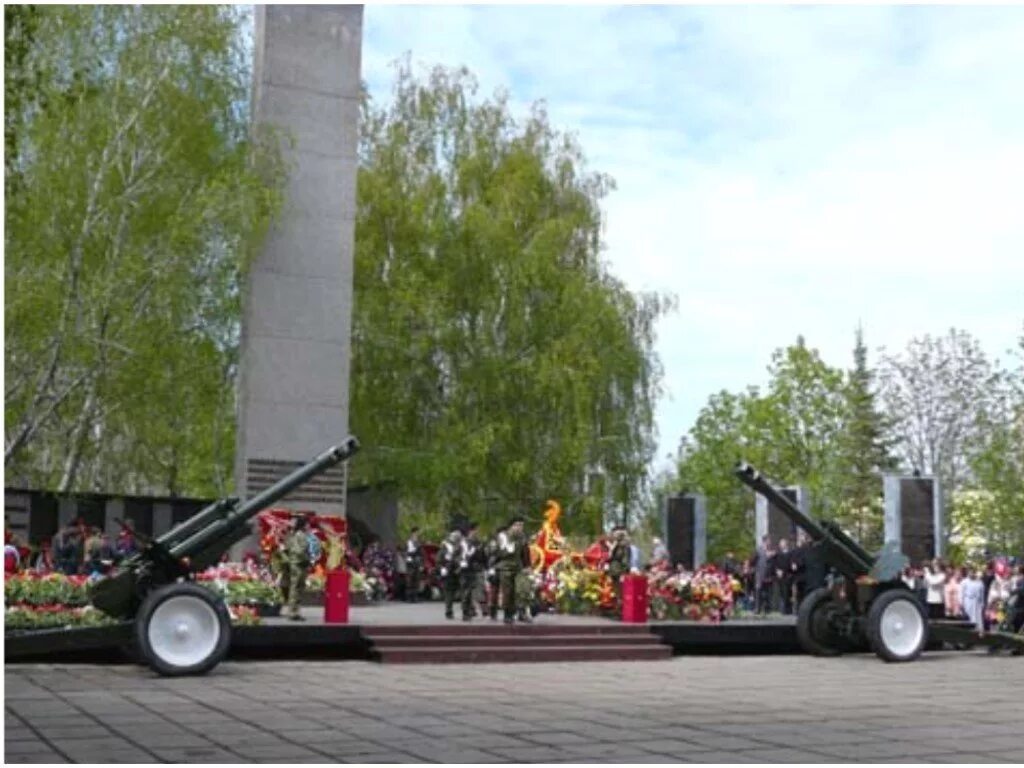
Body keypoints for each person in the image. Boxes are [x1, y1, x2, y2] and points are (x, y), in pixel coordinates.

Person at [496, 517, 529, 624]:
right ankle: (507, 614)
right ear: (512, 526)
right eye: (518, 525)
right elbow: (497, 553)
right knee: (508, 592)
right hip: (506, 568)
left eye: (521, 525)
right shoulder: (503, 537)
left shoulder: (522, 537)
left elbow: (525, 552)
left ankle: (521, 612)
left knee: (521, 590)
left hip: (518, 568)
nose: (520, 528)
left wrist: (527, 566)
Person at [280, 516, 312, 621]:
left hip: (294, 564)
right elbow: (300, 551)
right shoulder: (301, 536)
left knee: (295, 588)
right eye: (307, 524)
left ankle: (293, 611)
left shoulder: (293, 535)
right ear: (303, 525)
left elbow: (287, 548)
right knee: (296, 589)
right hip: (299, 564)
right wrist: (308, 559)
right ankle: (293, 612)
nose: (309, 526)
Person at [460, 522, 486, 621]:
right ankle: (465, 612)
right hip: (465, 569)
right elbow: (456, 555)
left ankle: (472, 610)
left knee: (475, 590)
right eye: (476, 530)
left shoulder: (478, 542)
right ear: (471, 531)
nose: (477, 532)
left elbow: (483, 556)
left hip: (476, 569)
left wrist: (486, 566)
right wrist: (460, 562)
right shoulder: (464, 543)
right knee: (466, 591)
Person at [437, 528, 464, 620]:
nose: (456, 538)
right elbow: (439, 559)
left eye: (458, 537)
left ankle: (467, 610)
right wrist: (442, 568)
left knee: (464, 591)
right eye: (454, 536)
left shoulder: (461, 546)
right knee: (449, 593)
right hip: (448, 572)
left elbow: (462, 558)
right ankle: (449, 611)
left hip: (459, 571)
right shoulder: (445, 546)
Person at [606, 526, 631, 607]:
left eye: (616, 533)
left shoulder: (624, 545)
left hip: (619, 571)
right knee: (616, 590)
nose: (614, 535)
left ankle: (623, 609)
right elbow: (609, 557)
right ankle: (618, 607)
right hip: (613, 570)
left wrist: (623, 572)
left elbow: (625, 559)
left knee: (621, 591)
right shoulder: (614, 544)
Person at [485, 524, 506, 620]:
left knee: (508, 592)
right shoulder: (494, 543)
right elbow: (490, 556)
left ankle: (508, 613)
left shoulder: (508, 542)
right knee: (494, 592)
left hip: (506, 569)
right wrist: (491, 568)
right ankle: (493, 613)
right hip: (496, 569)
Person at [959, 567, 985, 636]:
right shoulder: (964, 582)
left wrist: (982, 604)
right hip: (968, 602)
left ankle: (979, 632)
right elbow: (961, 593)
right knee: (969, 618)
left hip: (977, 603)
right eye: (970, 572)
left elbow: (982, 594)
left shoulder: (980, 582)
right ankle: (968, 634)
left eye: (973, 572)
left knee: (978, 618)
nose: (972, 574)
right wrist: (961, 603)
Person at [772, 538, 793, 615]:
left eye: (782, 543)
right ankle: (782, 609)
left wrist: (783, 571)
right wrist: (777, 571)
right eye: (780, 543)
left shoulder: (790, 553)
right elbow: (775, 564)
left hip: (787, 576)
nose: (780, 545)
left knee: (787, 592)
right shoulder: (778, 554)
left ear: (785, 544)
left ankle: (787, 609)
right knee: (781, 592)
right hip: (780, 576)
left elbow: (790, 565)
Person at [755, 535, 773, 615]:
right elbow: (754, 560)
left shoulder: (771, 550)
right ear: (765, 541)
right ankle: (758, 609)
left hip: (768, 574)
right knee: (759, 592)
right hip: (760, 574)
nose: (770, 542)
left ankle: (767, 609)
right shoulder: (759, 550)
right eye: (769, 540)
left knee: (768, 592)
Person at [404, 528, 424, 602]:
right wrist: (407, 557)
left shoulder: (419, 543)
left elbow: (421, 554)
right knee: (409, 579)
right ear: (412, 534)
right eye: (415, 533)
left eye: (417, 533)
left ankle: (415, 597)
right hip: (410, 562)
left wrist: (421, 564)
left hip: (417, 561)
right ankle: (409, 597)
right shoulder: (408, 542)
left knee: (417, 579)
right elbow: (405, 551)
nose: (416, 535)